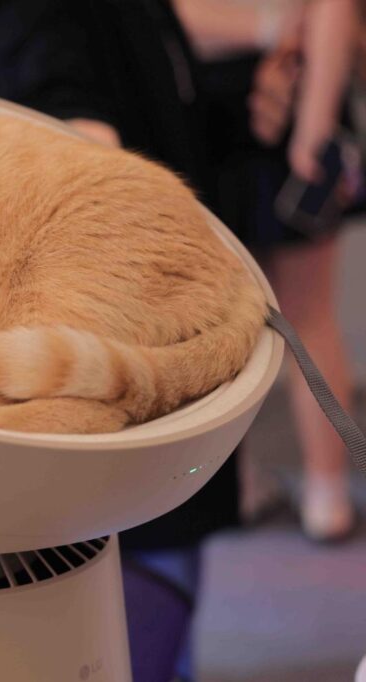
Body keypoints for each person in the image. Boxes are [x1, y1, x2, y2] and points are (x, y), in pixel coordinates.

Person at [0, 2, 238, 680]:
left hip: (154, 326)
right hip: (118, 340)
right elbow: (67, 122)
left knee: (156, 542)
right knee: (127, 555)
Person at [175, 0, 360, 541]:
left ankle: (270, 486)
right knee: (284, 318)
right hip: (261, 104)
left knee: (240, 320)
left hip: (241, 104)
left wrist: (313, 131)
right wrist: (315, 131)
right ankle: (320, 492)